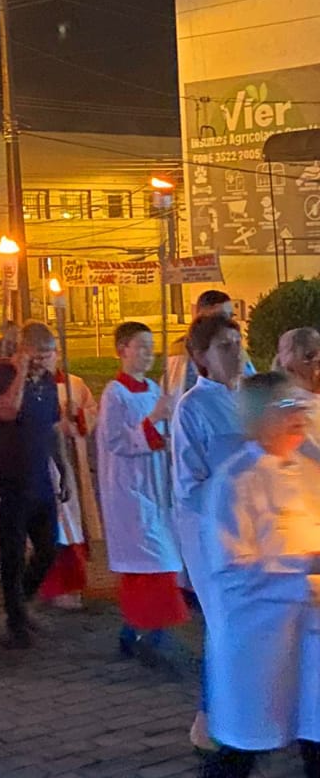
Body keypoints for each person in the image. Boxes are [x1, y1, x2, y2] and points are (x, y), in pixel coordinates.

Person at [200, 373, 320, 778]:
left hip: (309, 633)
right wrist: (303, 571)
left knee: (314, 732)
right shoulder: (235, 481)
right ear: (258, 418)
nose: (298, 415)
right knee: (242, 750)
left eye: (299, 406)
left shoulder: (308, 469)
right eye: (285, 408)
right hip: (257, 638)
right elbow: (233, 570)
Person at [171, 312, 246, 752]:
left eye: (238, 342)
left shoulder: (252, 398)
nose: (235, 352)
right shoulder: (194, 407)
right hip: (215, 538)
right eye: (223, 345)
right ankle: (209, 719)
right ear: (200, 358)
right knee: (225, 627)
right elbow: (189, 485)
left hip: (258, 537)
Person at [97, 321, 187, 660]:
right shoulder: (114, 393)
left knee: (160, 558)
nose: (149, 354)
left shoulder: (152, 388)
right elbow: (115, 440)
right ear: (123, 350)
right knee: (151, 560)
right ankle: (147, 632)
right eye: (141, 347)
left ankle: (139, 630)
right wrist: (152, 421)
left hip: (156, 483)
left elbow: (163, 432)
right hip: (129, 487)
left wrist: (165, 430)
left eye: (151, 347)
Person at [0, 321, 70, 646]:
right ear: (23, 352)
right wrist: (21, 372)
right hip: (10, 476)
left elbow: (52, 428)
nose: (44, 362)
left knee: (48, 547)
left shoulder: (48, 382)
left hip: (39, 475)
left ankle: (22, 600)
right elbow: (7, 411)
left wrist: (63, 469)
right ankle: (15, 618)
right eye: (37, 356)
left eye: (48, 356)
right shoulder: (2, 376)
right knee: (12, 552)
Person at [38, 356, 102, 611]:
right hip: (46, 464)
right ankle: (56, 586)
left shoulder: (75, 383)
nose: (47, 359)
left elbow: (93, 412)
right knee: (56, 525)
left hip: (73, 460)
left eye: (51, 353)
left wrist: (80, 415)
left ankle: (73, 584)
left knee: (74, 524)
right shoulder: (29, 385)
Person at [166, 290, 233, 400]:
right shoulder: (182, 348)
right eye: (220, 316)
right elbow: (177, 393)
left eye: (230, 316)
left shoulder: (231, 345)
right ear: (201, 316)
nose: (227, 321)